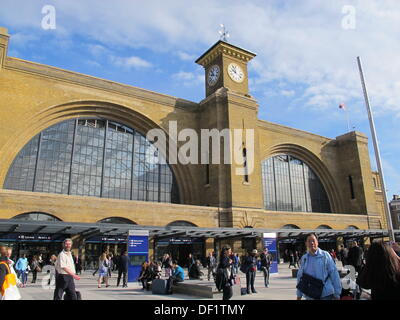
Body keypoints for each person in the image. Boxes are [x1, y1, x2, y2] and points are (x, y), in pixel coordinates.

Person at [296, 233, 342, 300]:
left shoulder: (325, 255)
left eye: (313, 240)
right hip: (310, 295)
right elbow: (300, 277)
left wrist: (337, 293)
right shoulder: (304, 258)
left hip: (325, 295)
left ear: (317, 242)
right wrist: (299, 295)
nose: (311, 243)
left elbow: (334, 274)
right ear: (306, 243)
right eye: (309, 241)